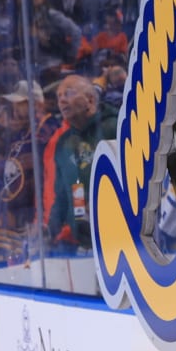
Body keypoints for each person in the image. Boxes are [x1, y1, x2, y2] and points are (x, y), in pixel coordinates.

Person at [43, 74, 117, 253]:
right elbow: (61, 195)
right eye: (59, 96)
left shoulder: (115, 128)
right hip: (85, 245)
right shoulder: (63, 143)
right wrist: (49, 232)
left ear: (90, 100)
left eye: (69, 93)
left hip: (124, 239)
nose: (62, 100)